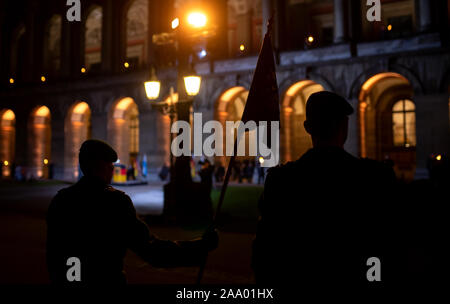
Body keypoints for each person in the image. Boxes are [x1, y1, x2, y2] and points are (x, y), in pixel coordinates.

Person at [252, 91, 399, 288]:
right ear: (345, 126)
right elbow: (387, 247)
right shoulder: (375, 176)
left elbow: (265, 253)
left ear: (307, 128)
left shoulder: (281, 180)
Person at [46, 139, 218, 285]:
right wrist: (200, 246)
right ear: (105, 167)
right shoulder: (115, 202)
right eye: (111, 165)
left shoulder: (61, 200)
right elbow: (152, 251)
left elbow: (54, 255)